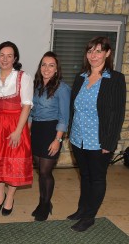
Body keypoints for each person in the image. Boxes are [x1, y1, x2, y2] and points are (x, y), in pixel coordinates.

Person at [67, 37, 126, 232]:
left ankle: (89, 216)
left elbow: (117, 114)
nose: (94, 55)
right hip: (78, 139)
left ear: (107, 53)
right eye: (90, 51)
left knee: (97, 178)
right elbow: (72, 108)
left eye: (99, 51)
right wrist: (69, 133)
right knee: (84, 175)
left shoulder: (115, 79)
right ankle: (82, 209)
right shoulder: (80, 77)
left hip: (99, 141)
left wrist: (109, 142)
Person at [0, 41, 33, 217]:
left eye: (9, 55)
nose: (5, 59)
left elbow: (27, 105)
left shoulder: (23, 77)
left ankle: (10, 197)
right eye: (2, 55)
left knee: (13, 162)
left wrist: (18, 131)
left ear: (15, 58)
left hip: (16, 125)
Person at [28, 51, 70, 221]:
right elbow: (31, 111)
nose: (46, 68)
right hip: (37, 130)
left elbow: (64, 117)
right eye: (44, 64)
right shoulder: (36, 86)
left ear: (56, 69)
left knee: (46, 171)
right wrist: (28, 131)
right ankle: (42, 201)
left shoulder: (62, 88)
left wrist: (58, 139)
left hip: (51, 131)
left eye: (51, 65)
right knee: (40, 170)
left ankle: (46, 204)